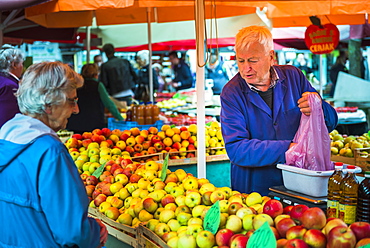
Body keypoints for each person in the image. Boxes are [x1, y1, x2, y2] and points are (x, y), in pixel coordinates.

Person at [220, 26, 338, 196]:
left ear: (271, 57)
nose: (246, 68)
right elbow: (237, 149)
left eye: (253, 60)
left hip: (299, 184)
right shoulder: (232, 93)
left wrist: (318, 107)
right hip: (255, 190)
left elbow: (331, 122)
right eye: (240, 61)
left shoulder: (294, 77)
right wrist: (288, 148)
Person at [0, 61, 108, 247]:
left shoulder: (6, 138)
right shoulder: (50, 152)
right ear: (48, 104)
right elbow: (72, 232)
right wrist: (94, 232)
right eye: (72, 101)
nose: (76, 109)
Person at [67, 63, 124, 134]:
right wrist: (120, 118)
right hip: (93, 125)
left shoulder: (76, 85)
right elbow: (109, 104)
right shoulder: (97, 85)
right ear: (96, 74)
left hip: (75, 124)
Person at [0, 44, 24, 128]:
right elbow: (8, 119)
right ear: (14, 65)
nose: (22, 67)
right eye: (22, 64)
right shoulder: (9, 86)